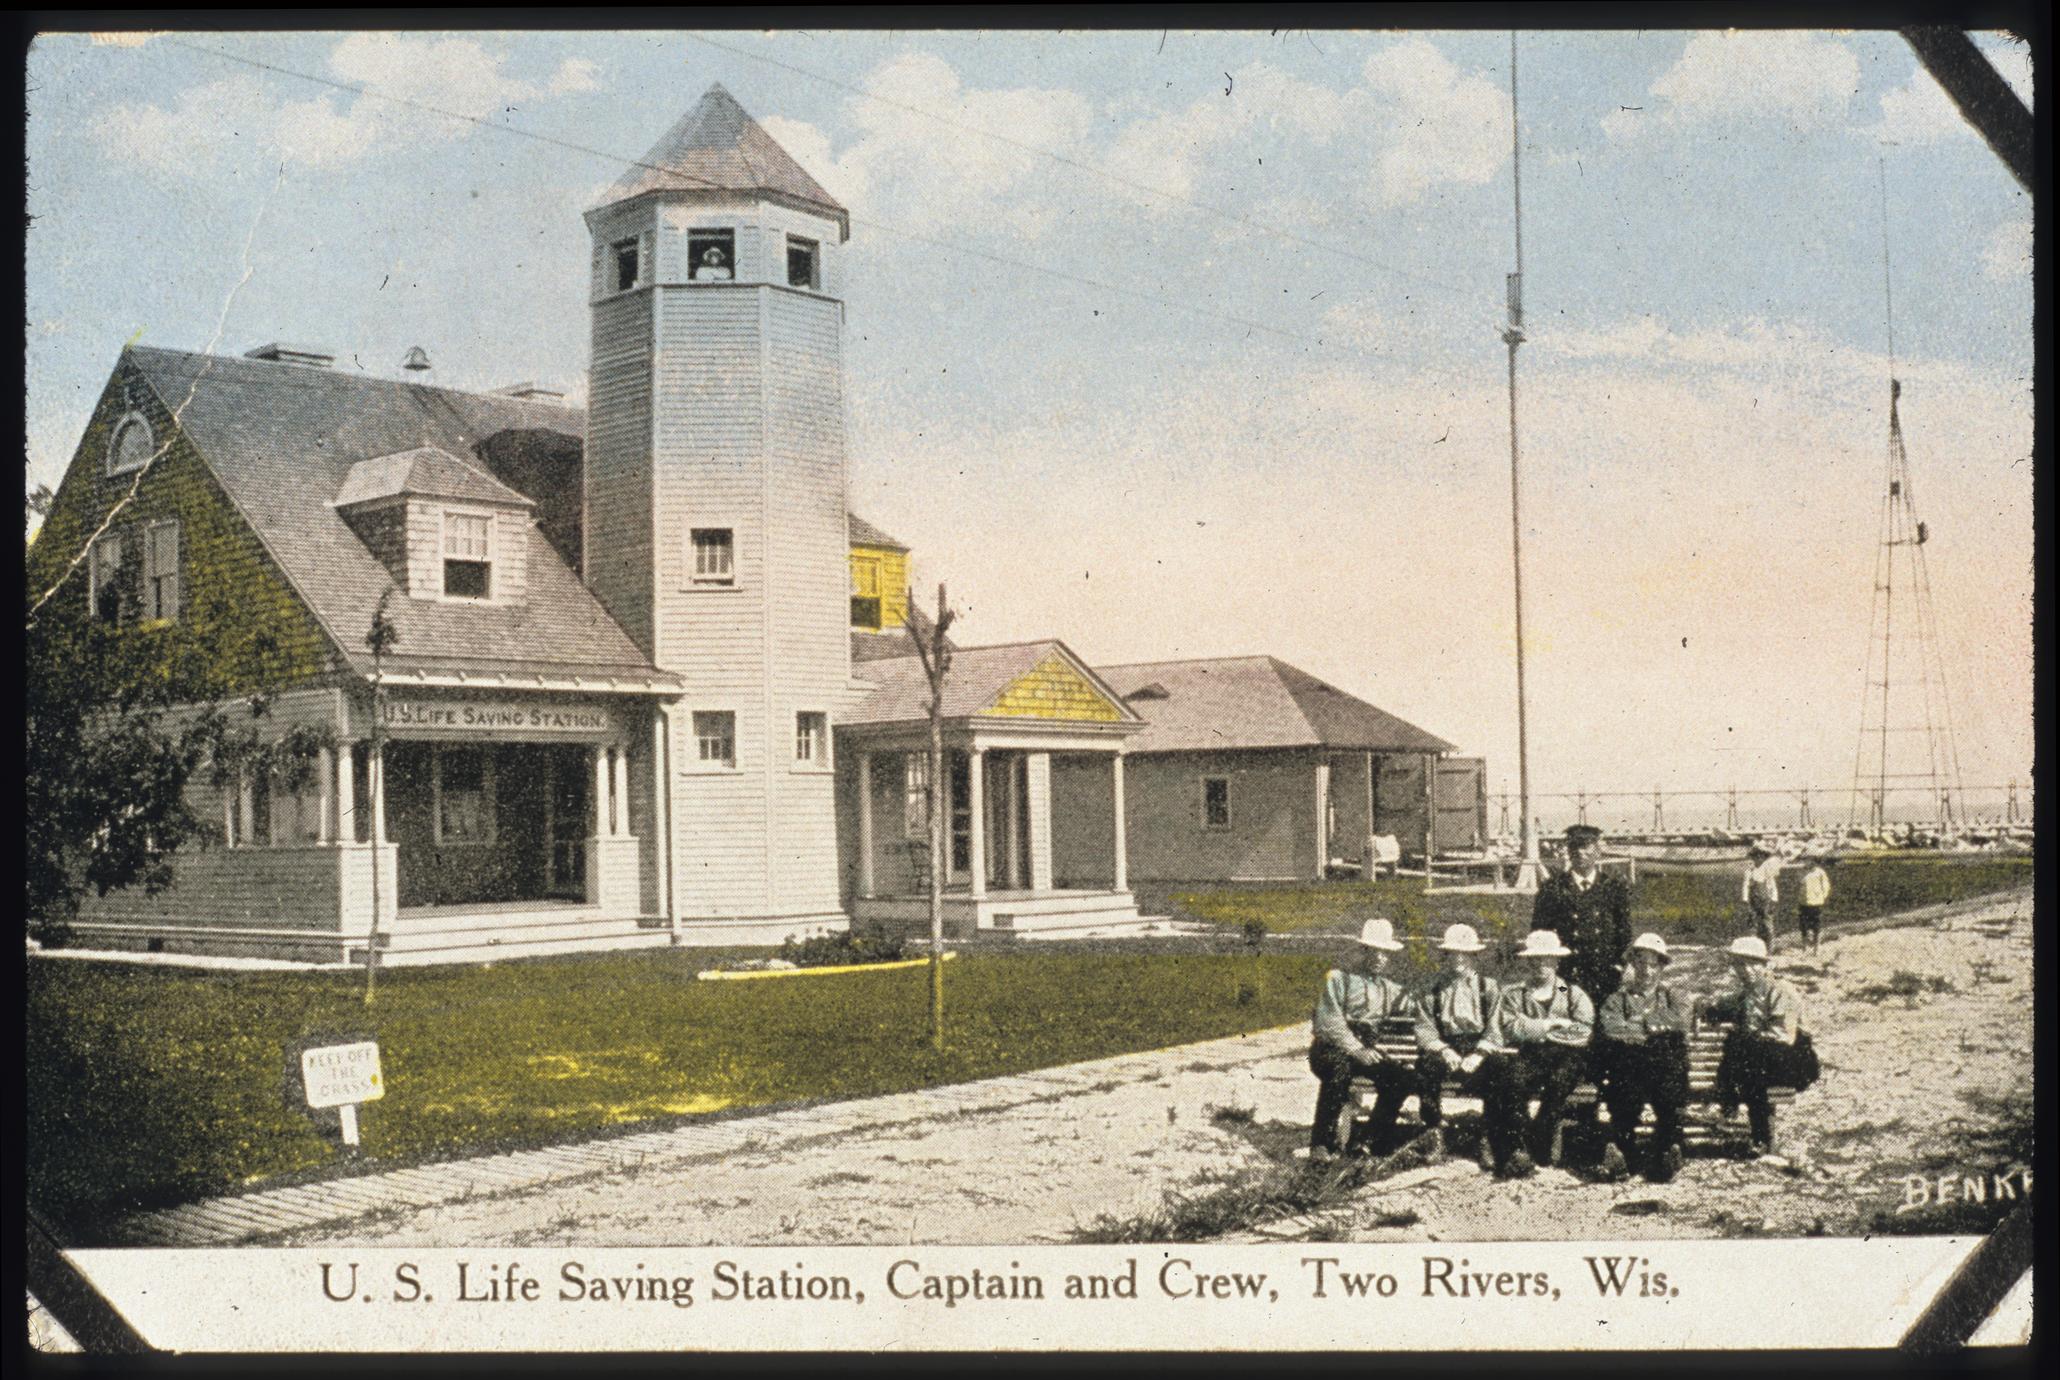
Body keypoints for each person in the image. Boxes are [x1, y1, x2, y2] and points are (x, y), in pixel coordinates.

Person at [1478, 930, 1595, 1178]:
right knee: (1514, 1081)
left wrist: (1537, 1029)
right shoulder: (1516, 994)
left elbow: (1583, 1029)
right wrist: (1549, 1025)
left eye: (1547, 959)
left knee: (1559, 1082)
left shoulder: (1568, 992)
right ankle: (1518, 1146)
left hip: (1567, 1056)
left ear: (1556, 961)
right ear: (1527, 962)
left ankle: (1544, 1133)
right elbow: (1510, 1027)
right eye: (1535, 959)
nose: (1541, 965)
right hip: (1531, 1055)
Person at [1306, 918, 1417, 1160]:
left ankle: (1369, 1139)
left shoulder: (1389, 988)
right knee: (1339, 1071)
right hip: (1331, 1048)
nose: (1379, 958)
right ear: (1363, 951)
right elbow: (1328, 1023)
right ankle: (1321, 1144)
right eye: (1374, 951)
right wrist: (1356, 1049)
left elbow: (1416, 1007)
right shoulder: (1338, 978)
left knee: (1400, 1078)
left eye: (1384, 953)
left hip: (1365, 1050)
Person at [1594, 932, 1691, 1182]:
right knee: (1625, 1098)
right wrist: (1655, 1029)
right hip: (1631, 1072)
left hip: (1664, 1073)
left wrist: (1639, 1024)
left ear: (1661, 967)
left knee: (1670, 1099)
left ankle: (1665, 1155)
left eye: (1653, 964)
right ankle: (1624, 1156)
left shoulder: (1672, 996)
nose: (1646, 971)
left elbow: (1680, 1021)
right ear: (1632, 965)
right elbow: (1611, 1027)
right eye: (1641, 963)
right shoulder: (1618, 999)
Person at [1702, 935, 1807, 1157]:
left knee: (1746, 1056)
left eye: (1752, 963)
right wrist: (1709, 1010)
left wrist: (1747, 1038)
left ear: (1765, 964)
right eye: (1740, 963)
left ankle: (1759, 1136)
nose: (1746, 969)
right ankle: (1735, 1110)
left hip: (1787, 1059)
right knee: (1744, 1057)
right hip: (1759, 1059)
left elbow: (1783, 1036)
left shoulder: (1781, 990)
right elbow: (1723, 1006)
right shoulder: (1748, 992)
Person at [1411, 923, 1502, 1168]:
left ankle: (1489, 1138)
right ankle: (1434, 1133)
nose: (1459, 959)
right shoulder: (1433, 989)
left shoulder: (1489, 987)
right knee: (1425, 1067)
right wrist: (1442, 1049)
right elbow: (1425, 1028)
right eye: (1453, 953)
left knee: (1499, 1069)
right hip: (1446, 1045)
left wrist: (1480, 1053)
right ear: (1446, 956)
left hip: (1478, 1045)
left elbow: (1496, 1027)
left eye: (1465, 953)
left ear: (1474, 956)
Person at [1530, 824, 1633, 1007]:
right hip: (1566, 977)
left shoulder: (1613, 887)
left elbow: (1624, 933)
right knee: (1567, 1016)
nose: (1579, 852)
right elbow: (1539, 934)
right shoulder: (1552, 888)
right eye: (1574, 847)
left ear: (1597, 851)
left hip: (1605, 976)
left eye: (1585, 846)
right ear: (1568, 852)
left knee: (1605, 1024)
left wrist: (1619, 964)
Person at [1742, 841, 1783, 952]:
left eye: (1760, 857)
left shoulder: (1767, 870)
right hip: (1753, 901)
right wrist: (1745, 900)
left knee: (1767, 923)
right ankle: (1755, 948)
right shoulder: (1749, 871)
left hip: (1765, 901)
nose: (1758, 859)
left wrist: (1774, 899)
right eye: (1755, 857)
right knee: (1753, 923)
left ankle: (1770, 948)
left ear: (1764, 858)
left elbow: (1773, 886)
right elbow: (1746, 886)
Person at [1797, 857, 1831, 955]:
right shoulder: (1801, 871)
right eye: (1806, 860)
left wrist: (1822, 897)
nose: (1807, 862)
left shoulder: (1820, 872)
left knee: (1817, 926)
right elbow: (1799, 885)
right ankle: (1805, 948)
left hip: (1816, 903)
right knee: (1803, 926)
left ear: (1814, 861)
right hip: (1804, 902)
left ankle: (1817, 948)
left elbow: (1826, 886)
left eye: (1810, 860)